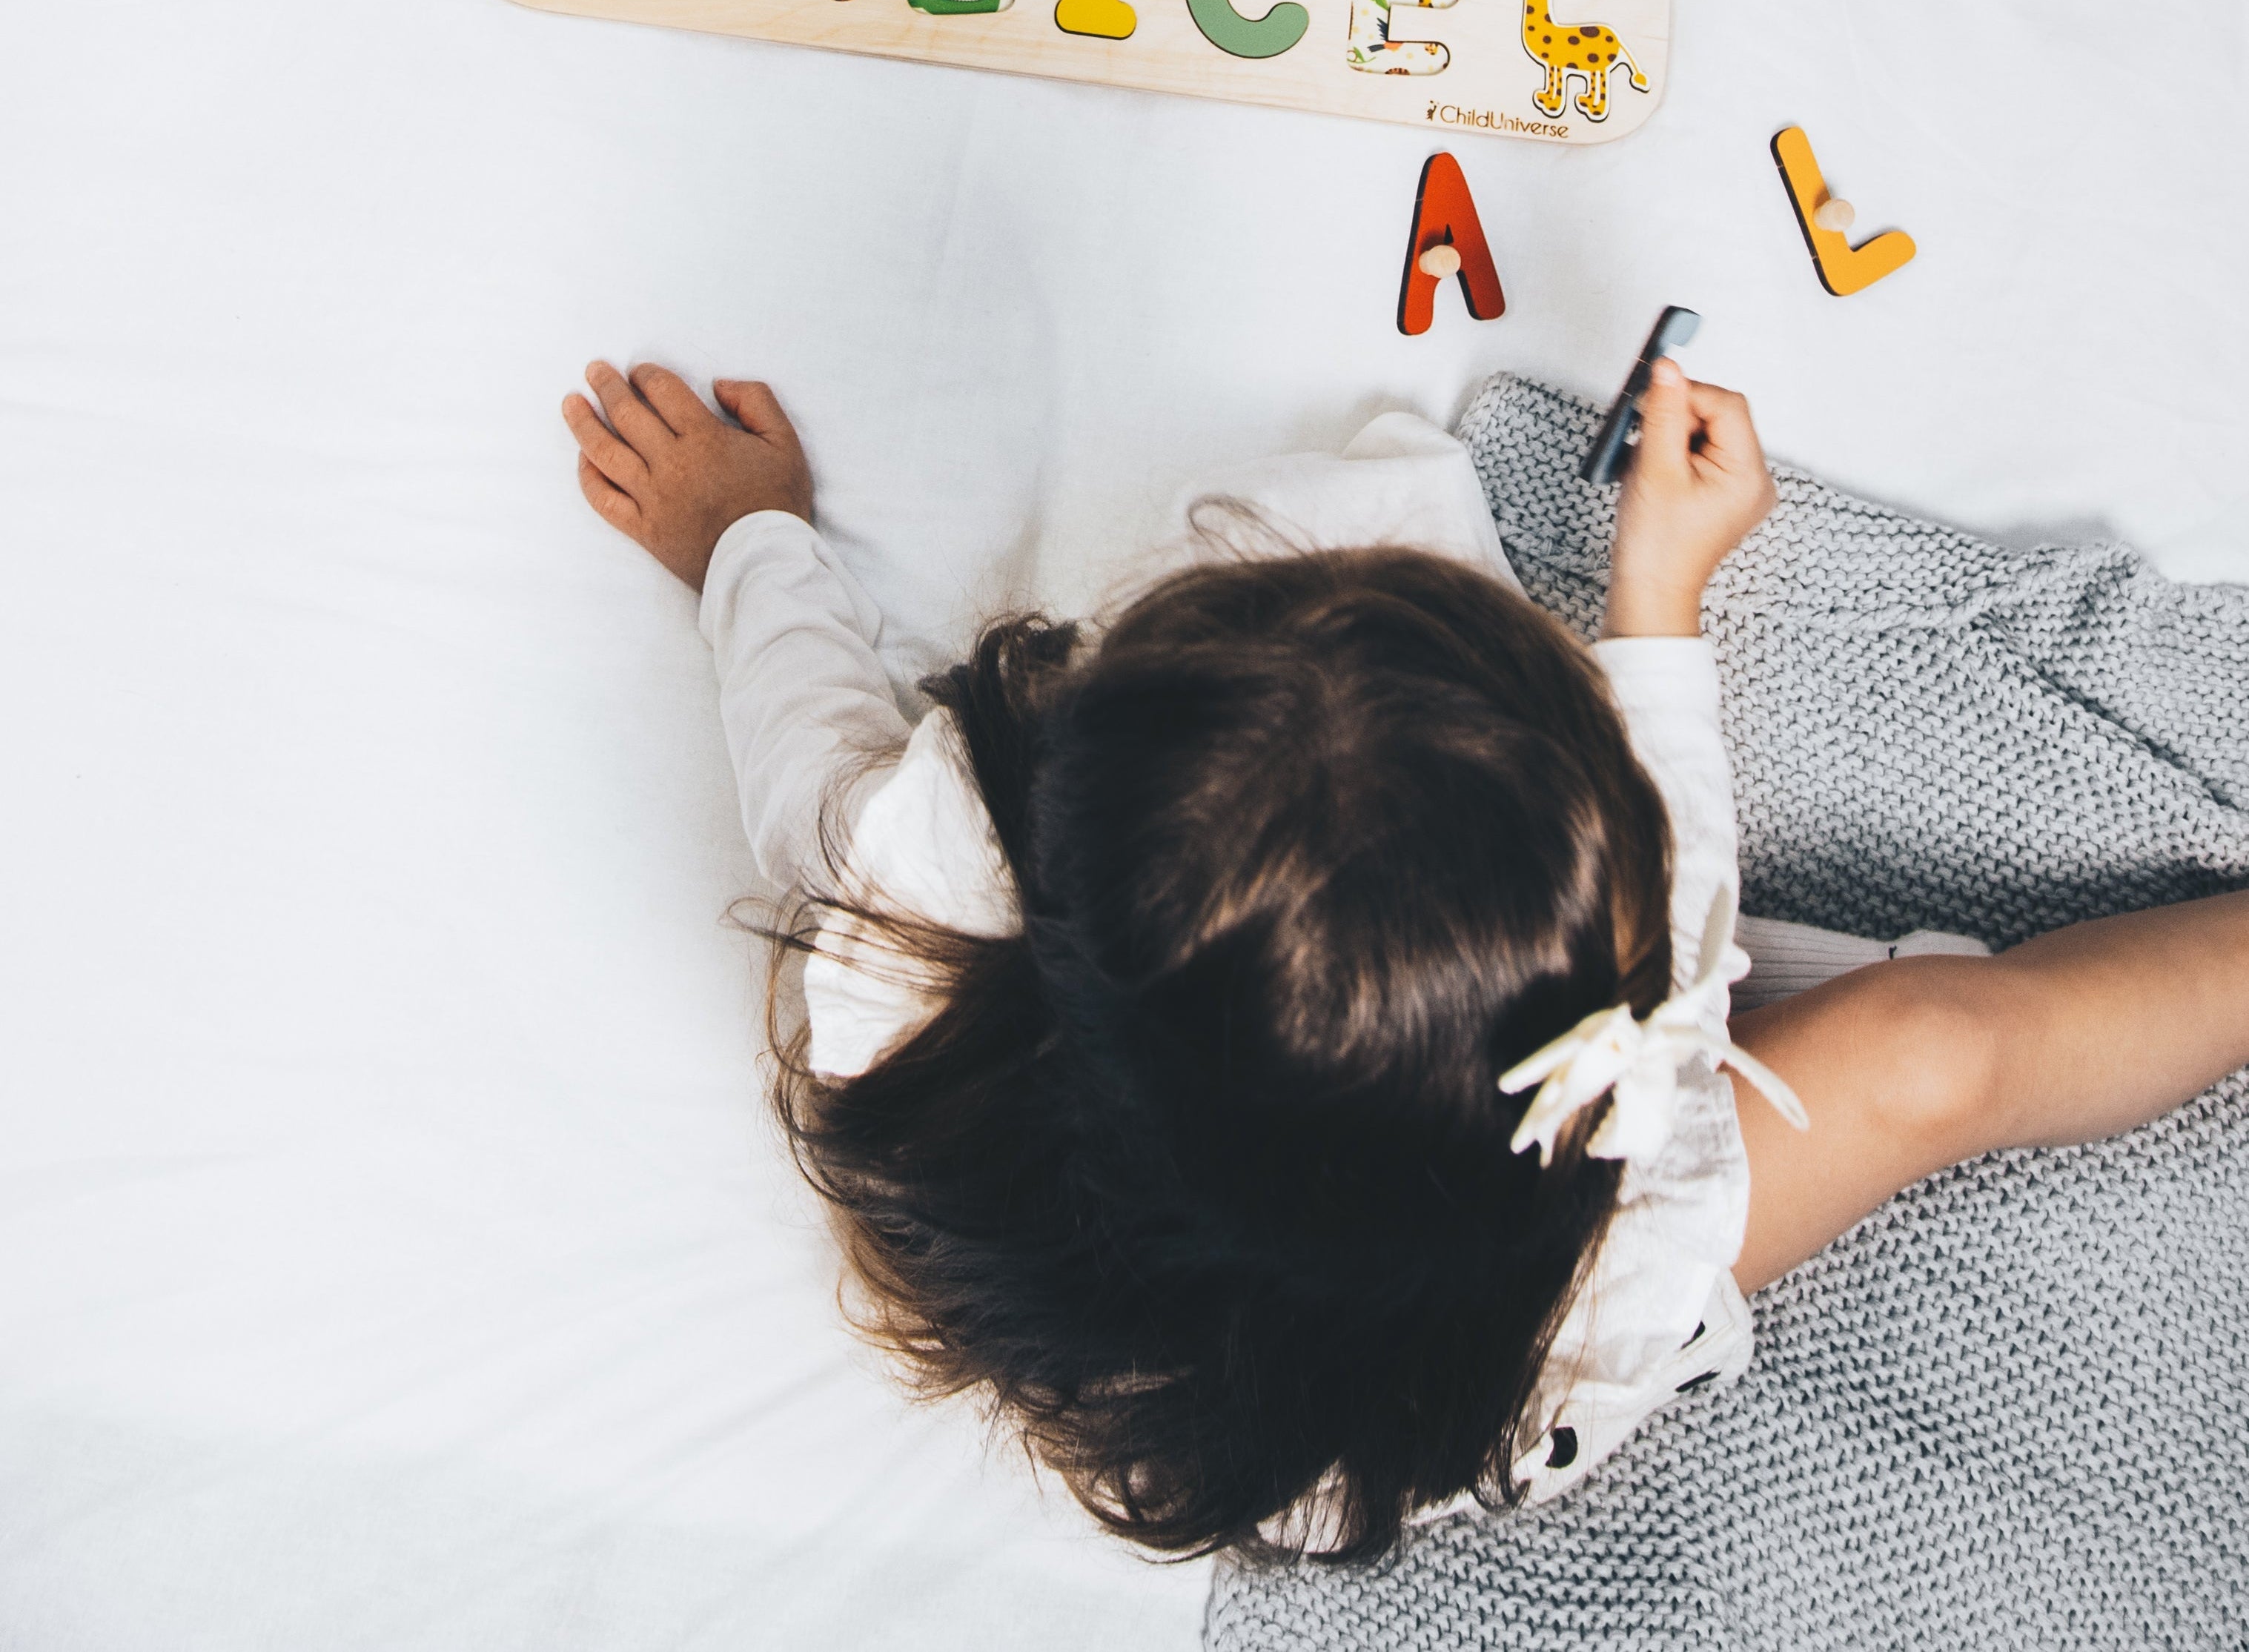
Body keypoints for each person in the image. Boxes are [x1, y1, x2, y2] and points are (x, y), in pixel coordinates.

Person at [561, 355, 2249, 1562]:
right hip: (1535, 1296)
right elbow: (1680, 941)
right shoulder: (1587, 1191)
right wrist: (1649, 614)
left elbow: (808, 757)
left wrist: (747, 543)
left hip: (1390, 1243)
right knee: (1939, 1048)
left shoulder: (902, 919)